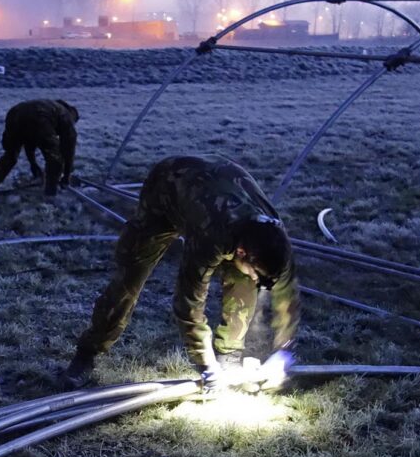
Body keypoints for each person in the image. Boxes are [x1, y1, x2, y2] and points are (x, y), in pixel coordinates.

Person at [63, 155, 299, 390]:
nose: (259, 282)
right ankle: (87, 351)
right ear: (241, 252)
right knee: (130, 277)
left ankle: (229, 356)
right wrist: (206, 364)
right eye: (258, 275)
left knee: (244, 280)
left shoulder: (275, 239)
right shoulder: (211, 237)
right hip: (167, 189)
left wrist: (284, 350)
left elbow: (287, 295)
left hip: (220, 189)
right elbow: (188, 303)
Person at [0, 99, 79, 198]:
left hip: (15, 113)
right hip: (39, 117)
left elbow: (29, 139)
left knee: (10, 156)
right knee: (55, 160)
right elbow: (69, 151)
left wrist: (33, 164)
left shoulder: (51, 107)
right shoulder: (67, 116)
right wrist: (66, 176)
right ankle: (50, 195)